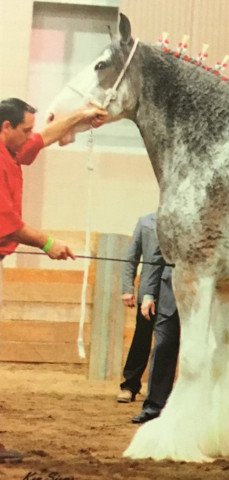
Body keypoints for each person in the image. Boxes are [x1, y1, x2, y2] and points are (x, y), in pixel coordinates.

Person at [0, 97, 107, 463]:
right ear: (6, 128)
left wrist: (80, 117)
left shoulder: (10, 153)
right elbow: (8, 224)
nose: (31, 134)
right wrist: (49, 243)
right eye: (24, 129)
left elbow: (43, 137)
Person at [119, 213, 180, 424]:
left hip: (174, 288)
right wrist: (129, 288)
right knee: (142, 338)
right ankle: (130, 385)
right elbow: (132, 256)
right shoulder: (145, 222)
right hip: (150, 288)